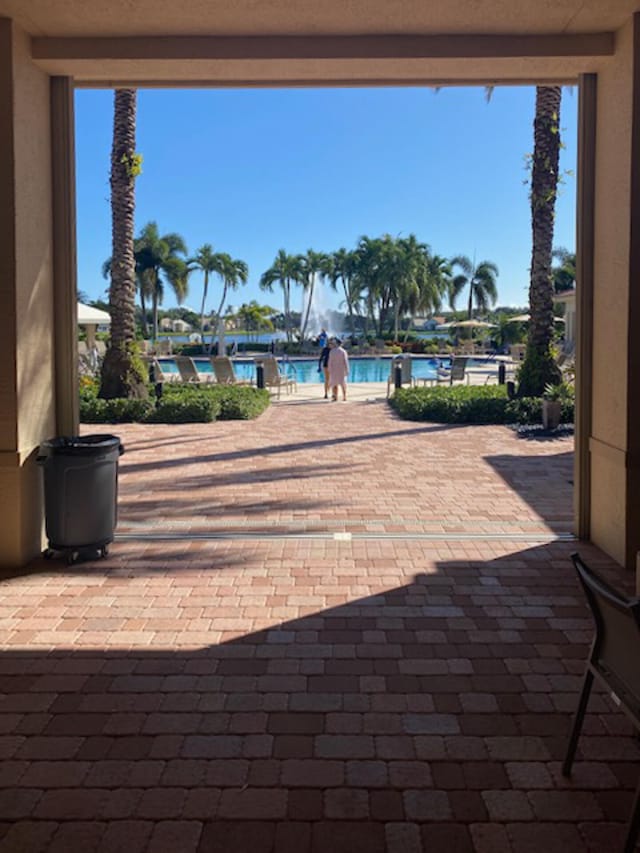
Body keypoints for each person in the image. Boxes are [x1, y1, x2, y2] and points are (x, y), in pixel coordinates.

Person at [328, 337, 349, 402]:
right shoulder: (343, 351)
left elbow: (330, 362)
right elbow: (345, 361)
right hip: (341, 369)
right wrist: (347, 369)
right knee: (343, 384)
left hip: (334, 370)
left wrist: (329, 369)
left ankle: (335, 396)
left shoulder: (332, 351)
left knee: (334, 384)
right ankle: (344, 397)